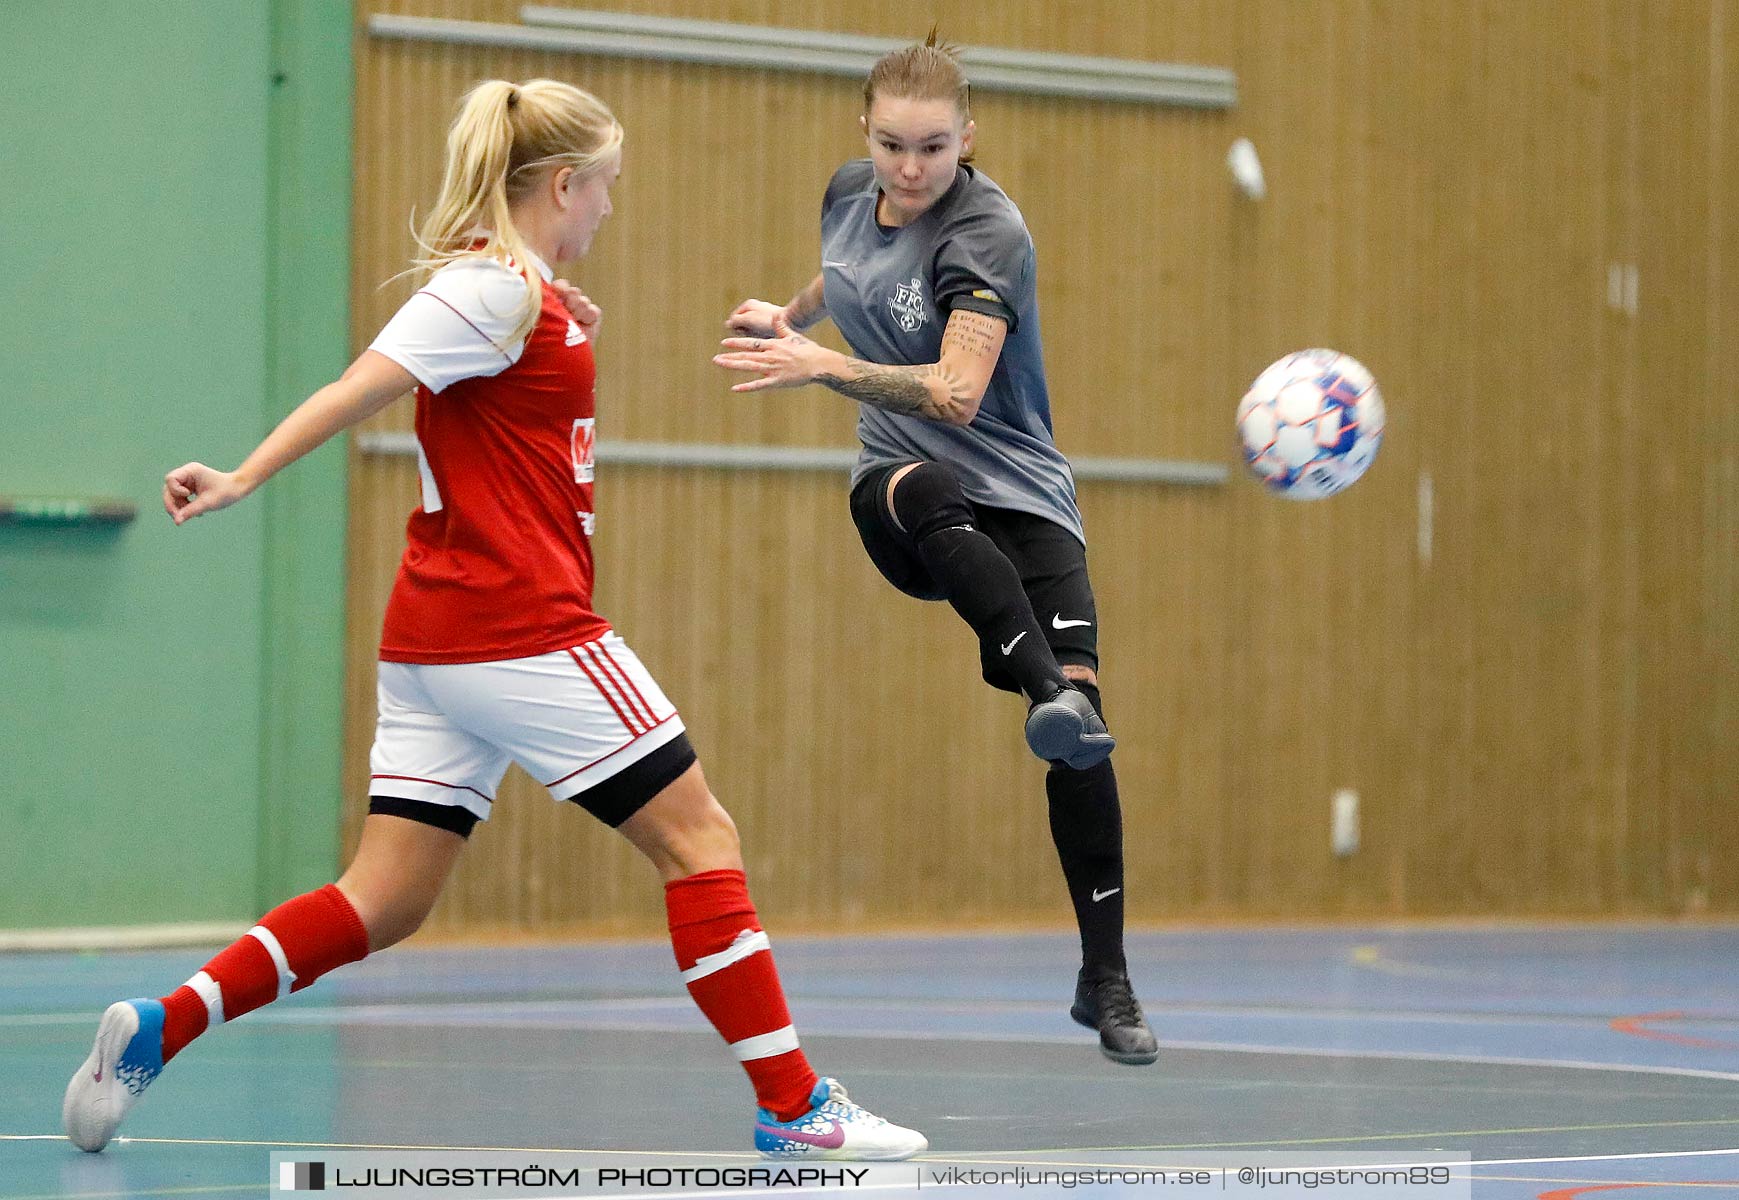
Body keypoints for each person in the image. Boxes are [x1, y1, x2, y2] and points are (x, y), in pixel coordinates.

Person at [61, 78, 925, 1161]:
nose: (611, 206)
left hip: (439, 642)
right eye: (605, 185)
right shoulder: (489, 292)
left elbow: (505, 367)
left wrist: (556, 311)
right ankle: (795, 1109)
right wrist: (242, 476)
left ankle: (159, 1026)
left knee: (382, 900)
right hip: (520, 625)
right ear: (562, 183)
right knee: (700, 840)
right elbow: (357, 386)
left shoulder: (521, 293)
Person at [715, 36, 1157, 1065]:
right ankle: (1050, 693)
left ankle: (1107, 980)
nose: (908, 169)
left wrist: (818, 366)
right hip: (905, 499)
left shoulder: (985, 233)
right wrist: (783, 316)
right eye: (889, 146)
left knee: (1083, 739)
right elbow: (843, 271)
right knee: (932, 488)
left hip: (1024, 497)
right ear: (862, 134)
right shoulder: (846, 192)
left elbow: (957, 394)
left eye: (930, 149)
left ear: (968, 138)